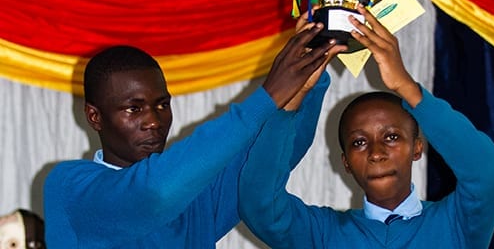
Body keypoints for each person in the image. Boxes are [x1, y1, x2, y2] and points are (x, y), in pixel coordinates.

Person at [43, 24, 347, 248]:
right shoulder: (70, 186)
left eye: (162, 105)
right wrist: (267, 96)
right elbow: (153, 194)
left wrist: (304, 87)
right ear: (95, 117)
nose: (153, 121)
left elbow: (271, 158)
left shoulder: (193, 194)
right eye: (133, 109)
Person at [239, 4, 494, 248]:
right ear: (345, 162)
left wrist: (406, 86)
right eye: (359, 142)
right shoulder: (322, 235)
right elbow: (259, 203)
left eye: (391, 137)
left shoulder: (455, 226)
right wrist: (295, 95)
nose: (376, 153)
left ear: (417, 148)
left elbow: (488, 175)